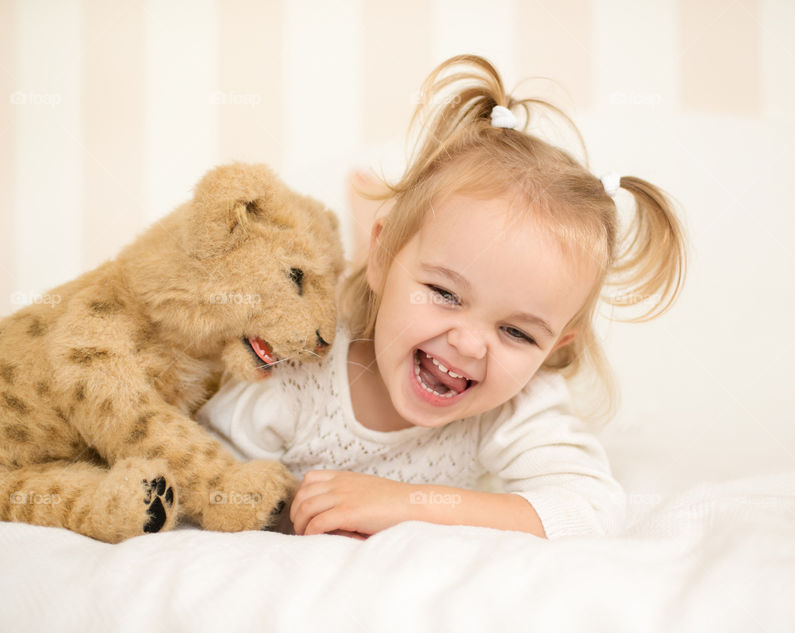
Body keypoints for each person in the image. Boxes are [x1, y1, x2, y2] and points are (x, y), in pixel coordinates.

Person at [196, 54, 687, 540]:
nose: (471, 346)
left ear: (554, 348)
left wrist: (406, 505)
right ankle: (365, 225)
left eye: (517, 332)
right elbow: (204, 481)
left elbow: (588, 512)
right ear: (384, 257)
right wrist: (302, 518)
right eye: (446, 294)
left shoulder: (514, 404)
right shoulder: (300, 374)